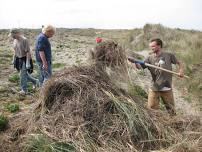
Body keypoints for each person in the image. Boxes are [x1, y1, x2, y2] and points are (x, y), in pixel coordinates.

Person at [131, 38, 184, 115]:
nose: (151, 48)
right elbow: (139, 67)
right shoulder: (149, 58)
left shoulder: (168, 55)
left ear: (159, 46)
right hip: (154, 87)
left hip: (166, 86)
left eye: (153, 46)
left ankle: (176, 125)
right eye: (150, 46)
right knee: (152, 110)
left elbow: (180, 62)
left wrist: (181, 70)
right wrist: (135, 62)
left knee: (171, 111)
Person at [9, 28, 39, 94]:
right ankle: (35, 81)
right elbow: (15, 50)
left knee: (22, 75)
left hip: (25, 59)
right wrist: (13, 59)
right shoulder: (15, 40)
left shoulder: (24, 40)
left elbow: (28, 52)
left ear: (17, 33)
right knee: (24, 74)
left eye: (13, 35)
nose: (12, 37)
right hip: (18, 58)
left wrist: (27, 63)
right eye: (11, 36)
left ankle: (24, 90)